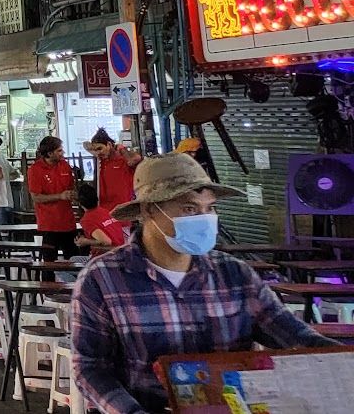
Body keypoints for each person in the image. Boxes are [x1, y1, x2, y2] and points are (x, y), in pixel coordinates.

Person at [72, 154, 336, 413]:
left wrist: (341, 360)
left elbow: (296, 338)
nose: (203, 218)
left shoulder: (234, 275)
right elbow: (90, 367)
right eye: (189, 208)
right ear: (149, 209)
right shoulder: (103, 279)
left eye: (209, 208)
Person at [28, 136, 78, 261]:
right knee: (49, 262)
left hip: (68, 222)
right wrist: (60, 196)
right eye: (59, 151)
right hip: (48, 224)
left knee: (74, 259)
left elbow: (72, 187)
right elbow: (36, 197)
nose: (63, 153)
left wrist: (75, 195)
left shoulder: (65, 165)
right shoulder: (35, 170)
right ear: (50, 153)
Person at [86, 127, 142, 211]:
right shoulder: (102, 161)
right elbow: (85, 145)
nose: (98, 153)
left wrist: (122, 149)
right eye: (95, 150)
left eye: (100, 148)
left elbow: (135, 159)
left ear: (108, 144)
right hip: (105, 210)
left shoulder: (123, 159)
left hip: (123, 210)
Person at [74, 183, 128, 256]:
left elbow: (106, 241)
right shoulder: (105, 211)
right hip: (121, 252)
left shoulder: (86, 220)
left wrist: (85, 241)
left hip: (108, 257)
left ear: (80, 203)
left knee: (74, 259)